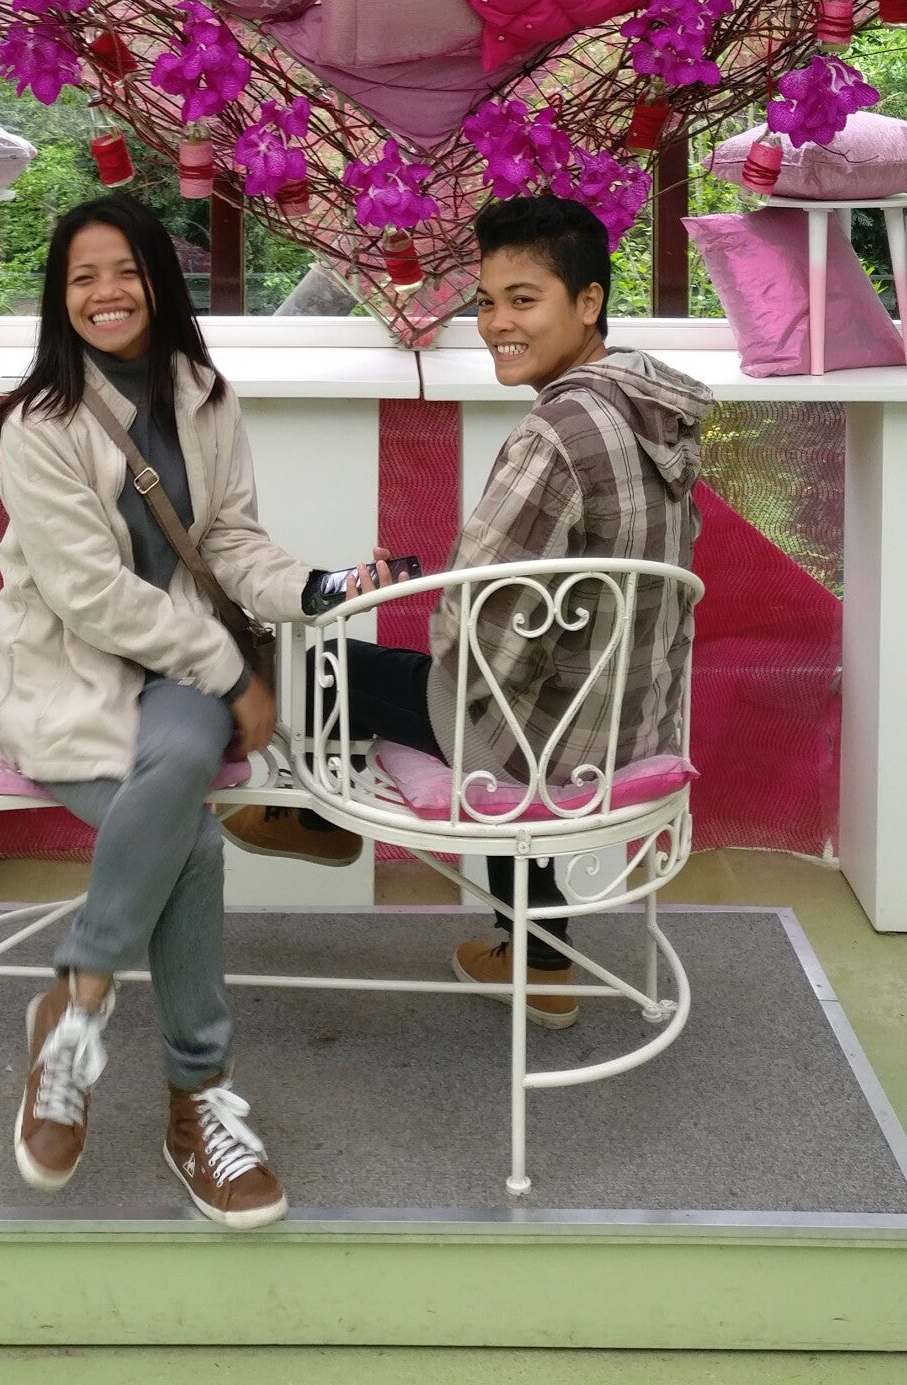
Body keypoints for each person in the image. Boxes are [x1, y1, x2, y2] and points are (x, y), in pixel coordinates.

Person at [0, 195, 391, 1225]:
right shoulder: (37, 425)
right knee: (195, 844)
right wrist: (229, 670)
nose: (105, 293)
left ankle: (78, 994)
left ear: (160, 281)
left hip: (179, 670)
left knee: (176, 789)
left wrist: (317, 587)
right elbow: (88, 596)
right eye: (82, 277)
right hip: (76, 671)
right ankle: (196, 1098)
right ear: (60, 297)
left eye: (124, 270)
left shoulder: (204, 395)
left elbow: (231, 544)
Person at [222, 195, 711, 1029]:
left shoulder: (557, 432)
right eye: (485, 302)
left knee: (330, 663)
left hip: (553, 745)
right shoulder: (653, 412)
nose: (496, 324)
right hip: (637, 718)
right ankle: (538, 958)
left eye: (524, 299)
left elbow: (476, 620)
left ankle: (317, 816)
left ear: (588, 302)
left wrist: (425, 631)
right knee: (499, 684)